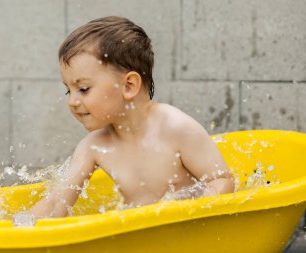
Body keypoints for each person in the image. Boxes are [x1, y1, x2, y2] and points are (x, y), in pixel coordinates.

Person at [29, 16, 234, 218]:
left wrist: (190, 215)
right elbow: (56, 203)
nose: (72, 101)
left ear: (128, 86)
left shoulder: (175, 128)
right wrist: (15, 228)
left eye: (83, 89)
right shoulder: (93, 147)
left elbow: (222, 180)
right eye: (68, 91)